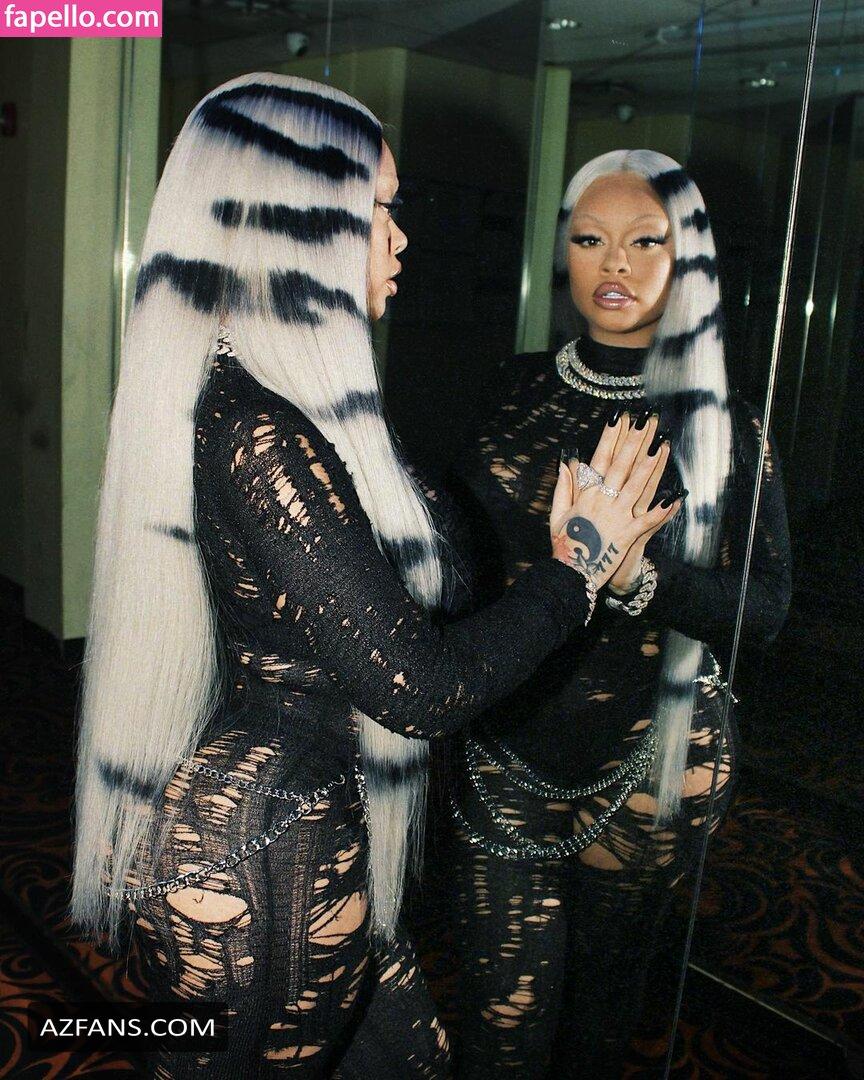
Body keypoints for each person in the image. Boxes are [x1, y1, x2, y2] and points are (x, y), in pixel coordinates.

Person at [70, 80, 677, 1079]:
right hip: (266, 848)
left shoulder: (285, 409)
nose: (399, 238)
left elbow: (421, 610)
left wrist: (573, 552)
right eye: (375, 209)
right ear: (293, 223)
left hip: (284, 828)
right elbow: (419, 687)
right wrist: (579, 569)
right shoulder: (261, 430)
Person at [437, 150, 793, 1078]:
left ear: (688, 261)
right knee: (502, 1025)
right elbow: (456, 555)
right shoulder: (509, 386)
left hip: (653, 756)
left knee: (600, 1017)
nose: (616, 264)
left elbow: (766, 609)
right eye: (591, 239)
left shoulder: (722, 423)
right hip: (506, 744)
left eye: (646, 242)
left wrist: (637, 576)